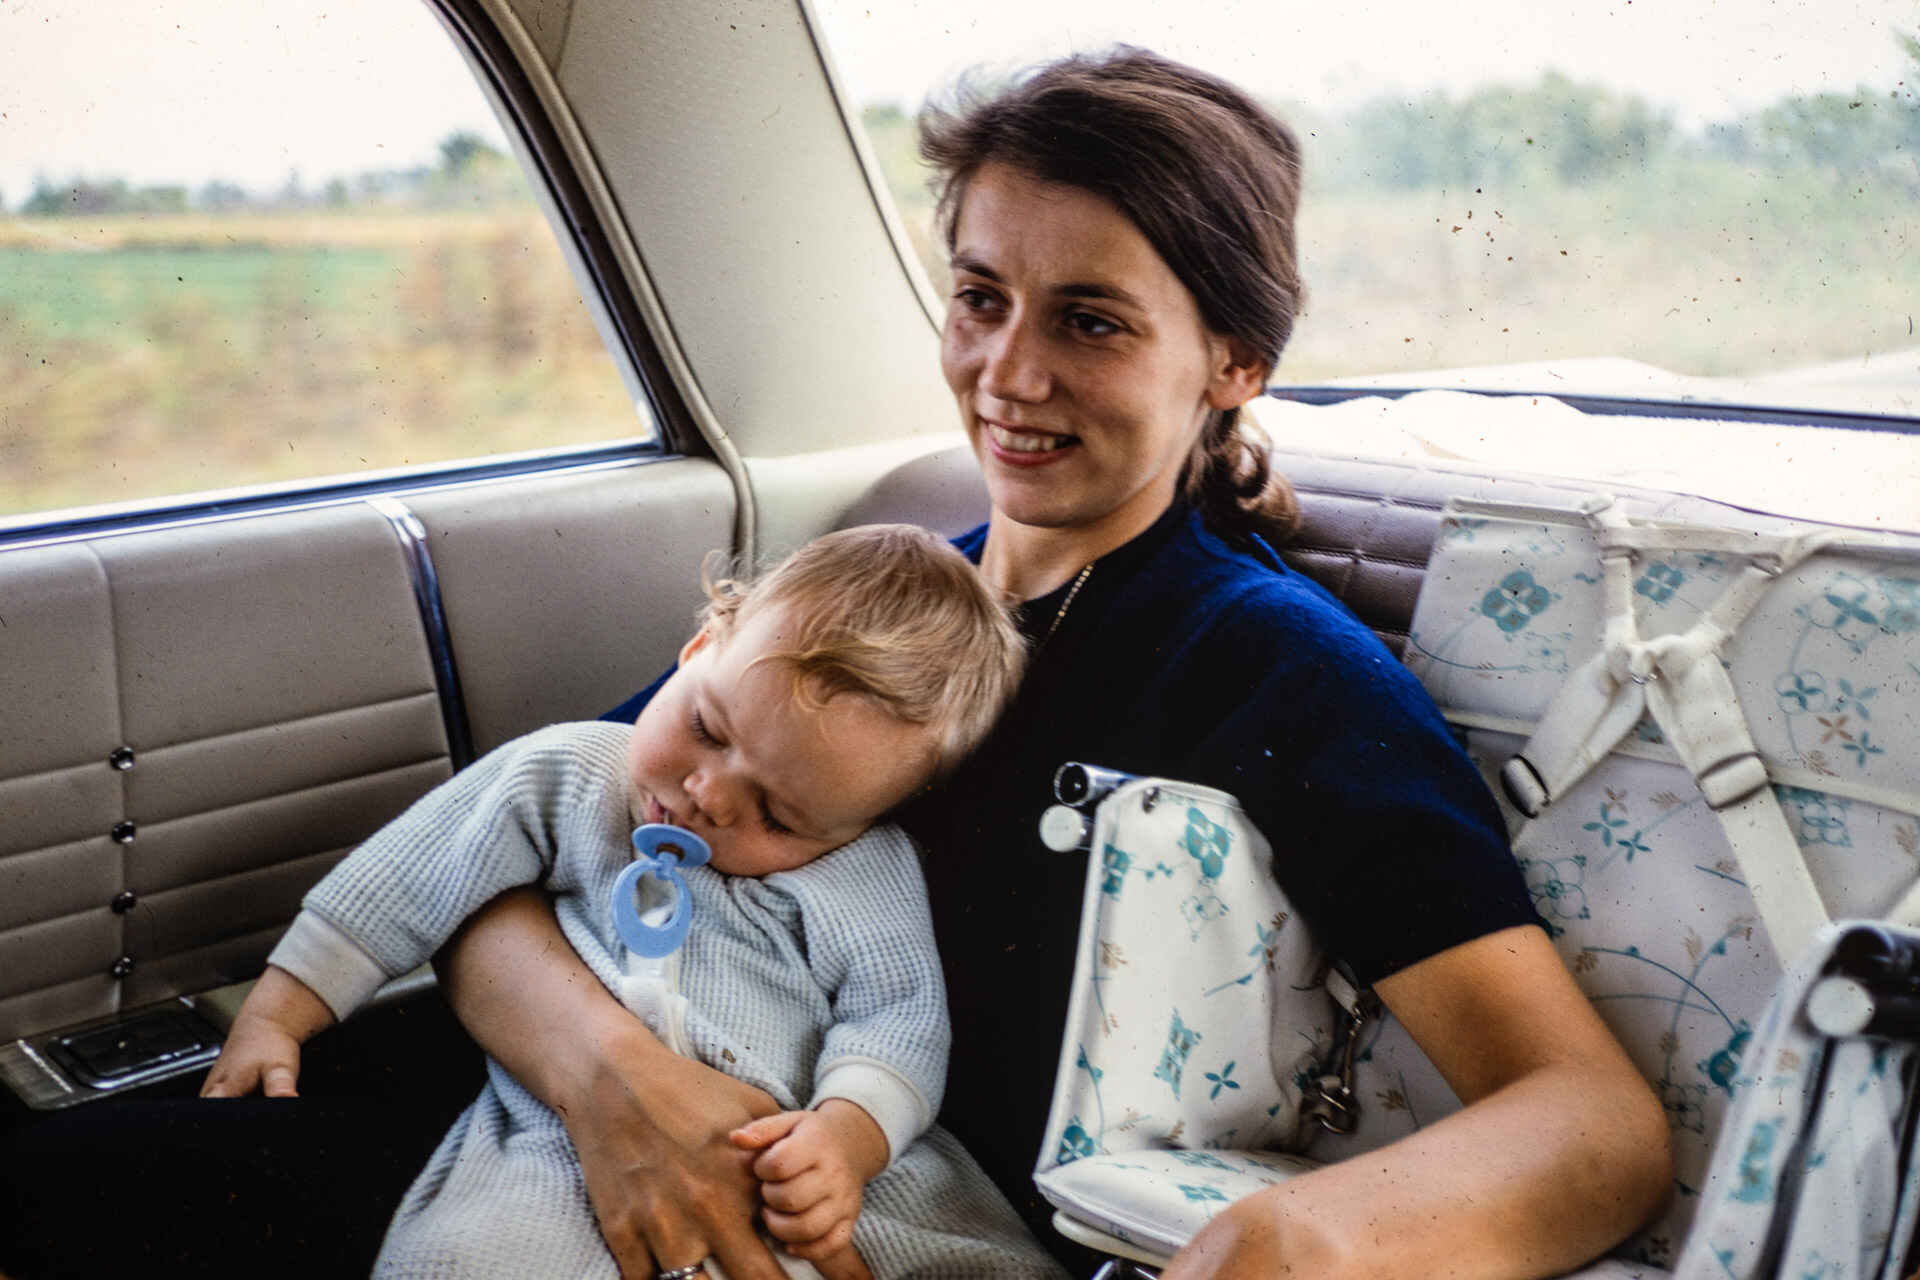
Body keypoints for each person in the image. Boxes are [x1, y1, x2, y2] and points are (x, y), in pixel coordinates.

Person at [449, 47, 1674, 1280]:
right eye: (981, 298)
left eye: (1089, 320)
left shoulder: (1280, 672)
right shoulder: (865, 601)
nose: (1010, 374)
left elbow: (1594, 1123)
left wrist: (1299, 1241)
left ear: (1235, 361)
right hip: (542, 1152)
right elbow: (487, 859)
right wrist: (620, 1092)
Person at [198, 524, 1063, 1280]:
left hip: (818, 1166)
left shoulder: (868, 872)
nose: (707, 795)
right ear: (697, 650)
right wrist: (278, 1015)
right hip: (564, 1146)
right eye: (707, 730)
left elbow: (900, 1021)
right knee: (461, 1260)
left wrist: (848, 1137)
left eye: (778, 815)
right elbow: (408, 875)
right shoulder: (570, 773)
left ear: (861, 821)